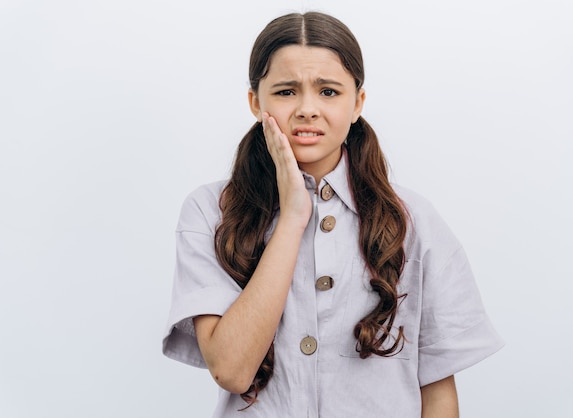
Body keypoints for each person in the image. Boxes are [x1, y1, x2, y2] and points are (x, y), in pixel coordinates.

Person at [162, 11, 504, 418]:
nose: (307, 109)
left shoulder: (412, 220)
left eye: (328, 92)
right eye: (286, 92)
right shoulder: (209, 211)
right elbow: (232, 370)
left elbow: (438, 390)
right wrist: (291, 217)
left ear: (357, 102)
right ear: (256, 102)